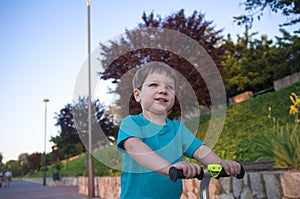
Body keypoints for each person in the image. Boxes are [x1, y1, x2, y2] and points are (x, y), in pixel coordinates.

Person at [116, 61, 241, 199]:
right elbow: (135, 147)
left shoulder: (178, 129)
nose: (163, 90)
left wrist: (221, 164)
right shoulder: (132, 123)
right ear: (138, 95)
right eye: (154, 85)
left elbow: (199, 150)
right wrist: (168, 168)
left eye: (169, 87)